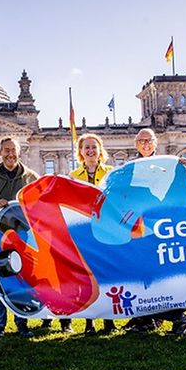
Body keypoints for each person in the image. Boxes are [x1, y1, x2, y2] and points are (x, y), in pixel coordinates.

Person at [123, 129, 186, 336]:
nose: (145, 144)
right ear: (136, 144)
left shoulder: (168, 164)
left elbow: (179, 190)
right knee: (142, 275)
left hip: (162, 228)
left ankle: (179, 317)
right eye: (141, 141)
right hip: (138, 228)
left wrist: (179, 166)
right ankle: (147, 320)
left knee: (163, 276)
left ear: (155, 143)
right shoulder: (130, 168)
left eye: (149, 141)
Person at [0, 137, 40, 338]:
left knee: (22, 280)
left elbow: (40, 208)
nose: (10, 154)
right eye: (6, 150)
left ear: (19, 152)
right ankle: (0, 325)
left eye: (13, 150)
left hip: (23, 237)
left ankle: (22, 322)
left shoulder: (31, 177)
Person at [66, 133, 115, 334]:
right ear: (80, 152)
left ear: (100, 150)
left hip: (107, 230)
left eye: (94, 147)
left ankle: (110, 319)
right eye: (86, 147)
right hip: (85, 232)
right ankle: (89, 321)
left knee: (108, 275)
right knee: (88, 277)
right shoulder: (73, 176)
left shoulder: (111, 173)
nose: (90, 151)